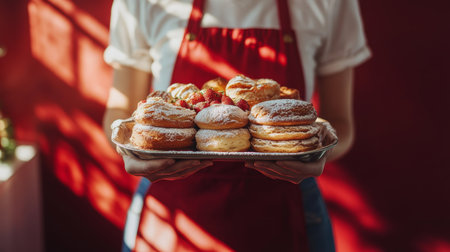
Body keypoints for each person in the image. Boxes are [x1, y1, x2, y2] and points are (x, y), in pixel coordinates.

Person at [102, 0, 371, 251]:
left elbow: (340, 125)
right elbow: (120, 115)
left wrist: (318, 152)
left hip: (286, 212)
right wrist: (131, 151)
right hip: (169, 220)